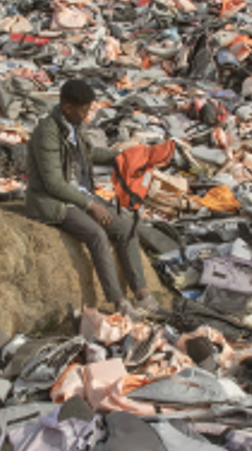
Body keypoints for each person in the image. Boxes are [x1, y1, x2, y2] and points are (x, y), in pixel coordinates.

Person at [24, 79, 159, 316]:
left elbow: (89, 153)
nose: (87, 115)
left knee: (127, 227)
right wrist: (91, 206)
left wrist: (121, 158)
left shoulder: (73, 126)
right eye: (84, 109)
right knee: (97, 234)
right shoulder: (47, 133)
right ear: (67, 107)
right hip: (55, 200)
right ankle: (119, 303)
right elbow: (54, 184)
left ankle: (141, 295)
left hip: (80, 193)